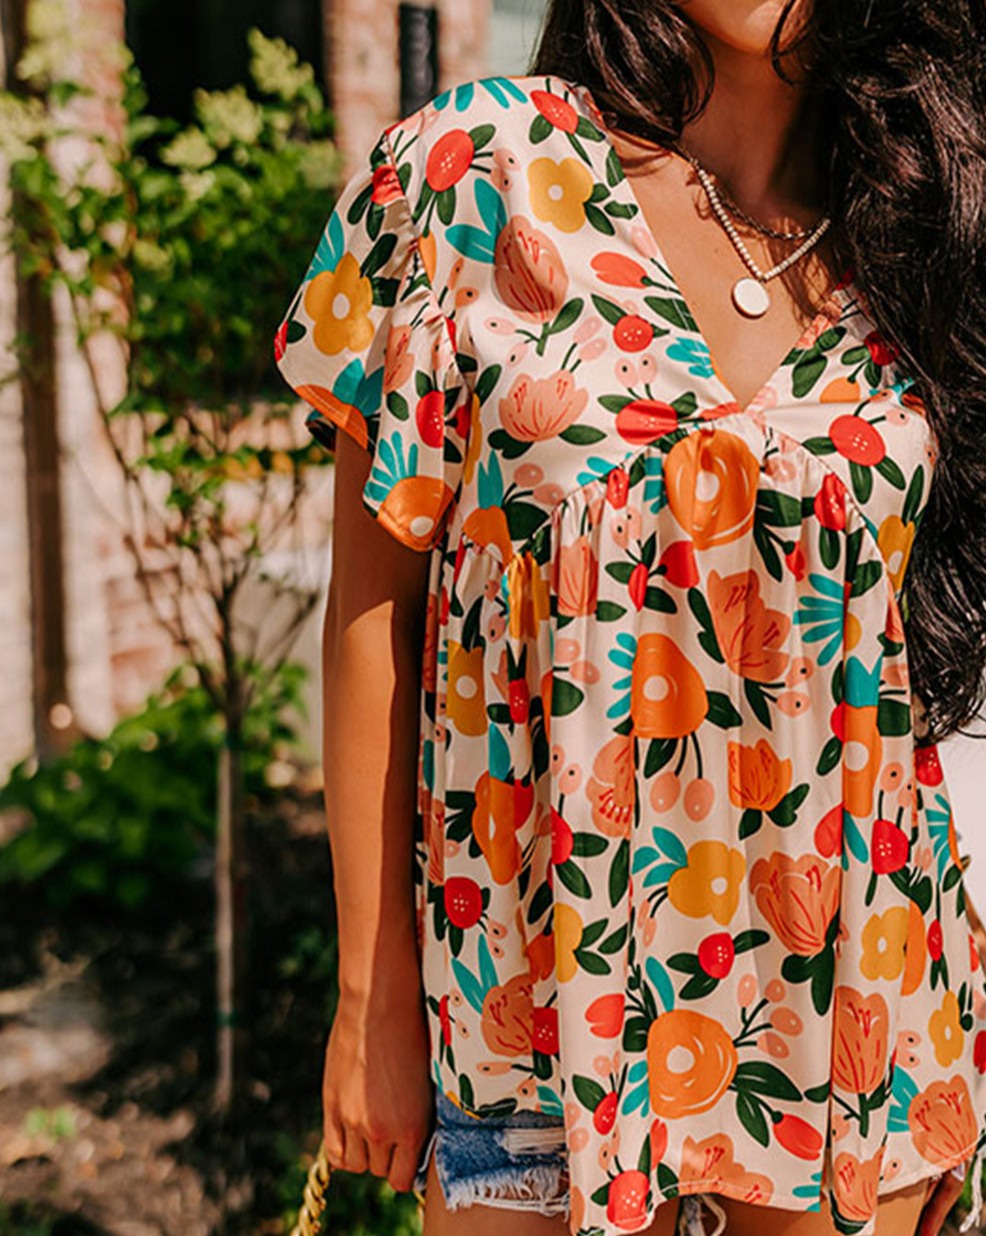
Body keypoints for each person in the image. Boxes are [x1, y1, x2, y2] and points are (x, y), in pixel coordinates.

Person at [271, 2, 986, 1235]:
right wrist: (370, 1003)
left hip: (851, 1024)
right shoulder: (473, 173)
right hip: (531, 1005)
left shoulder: (919, 232)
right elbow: (371, 615)